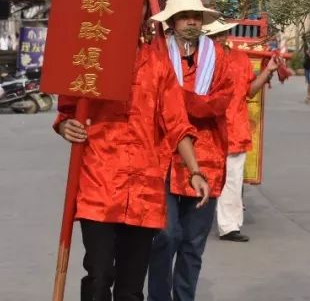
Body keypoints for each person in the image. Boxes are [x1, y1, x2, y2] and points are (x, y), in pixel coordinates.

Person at [54, 36, 210, 301]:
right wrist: (64, 125)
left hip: (143, 191)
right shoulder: (90, 58)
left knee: (131, 288)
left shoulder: (158, 63)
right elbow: (68, 110)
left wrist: (195, 170)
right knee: (98, 276)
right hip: (98, 185)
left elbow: (176, 123)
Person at [147, 0, 235, 301]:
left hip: (207, 159)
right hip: (163, 158)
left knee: (193, 244)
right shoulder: (155, 54)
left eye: (195, 17)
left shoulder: (219, 57)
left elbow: (221, 102)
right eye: (184, 17)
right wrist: (183, 104)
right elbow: (151, 103)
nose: (191, 22)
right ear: (171, 21)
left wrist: (177, 100)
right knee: (165, 236)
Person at [203, 18, 279, 243]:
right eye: (214, 36)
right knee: (200, 177)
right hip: (205, 128)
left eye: (221, 35)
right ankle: (192, 222)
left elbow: (249, 91)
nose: (219, 39)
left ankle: (229, 226)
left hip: (234, 127)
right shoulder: (198, 60)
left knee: (232, 180)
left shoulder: (239, 59)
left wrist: (268, 72)